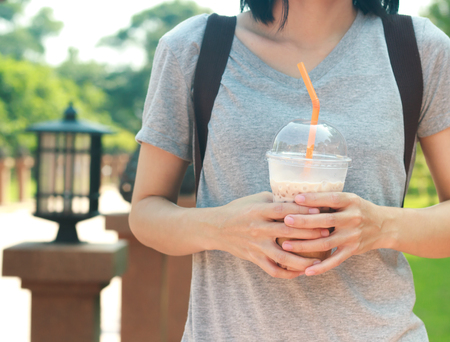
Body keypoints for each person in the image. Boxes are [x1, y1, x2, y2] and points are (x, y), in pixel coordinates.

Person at [129, 0, 450, 340]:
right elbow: (146, 212)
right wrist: (223, 228)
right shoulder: (194, 47)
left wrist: (380, 225)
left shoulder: (419, 49)